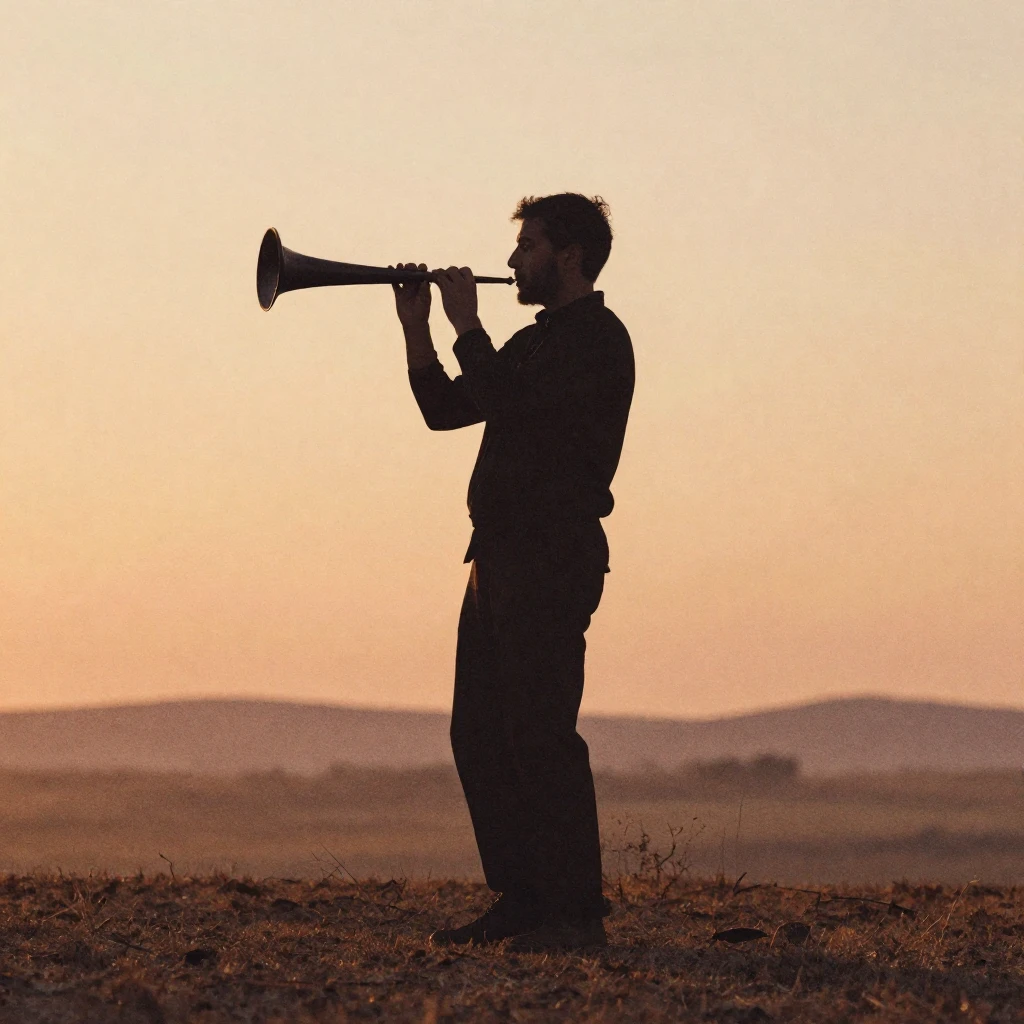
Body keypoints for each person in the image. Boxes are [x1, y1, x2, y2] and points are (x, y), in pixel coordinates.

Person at [393, 194, 634, 952]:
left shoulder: (597, 340)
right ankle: (524, 897)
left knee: (540, 733)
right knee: (481, 732)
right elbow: (447, 410)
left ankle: (574, 913)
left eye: (526, 246)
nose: (511, 263)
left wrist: (467, 324)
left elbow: (514, 407)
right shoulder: (534, 343)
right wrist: (417, 330)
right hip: (496, 556)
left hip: (550, 554)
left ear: (568, 257)